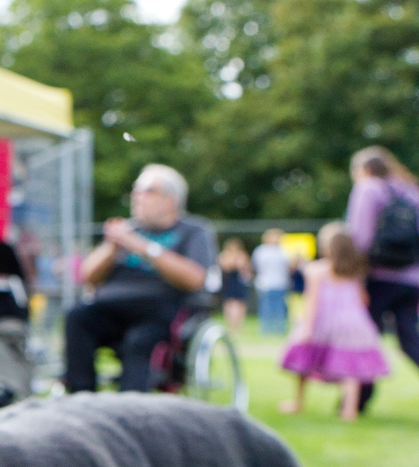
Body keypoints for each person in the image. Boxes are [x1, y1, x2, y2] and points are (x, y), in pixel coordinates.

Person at [63, 164, 217, 393]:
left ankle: (130, 406)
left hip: (159, 308)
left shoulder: (193, 231)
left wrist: (145, 248)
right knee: (77, 316)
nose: (137, 197)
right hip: (112, 304)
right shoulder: (126, 231)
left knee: (141, 340)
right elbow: (87, 276)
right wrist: (111, 246)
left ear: (170, 200)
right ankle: (81, 397)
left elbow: (195, 279)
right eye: (136, 190)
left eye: (147, 190)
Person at [346, 146, 419, 412]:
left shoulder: (369, 188)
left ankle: (356, 401)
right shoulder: (412, 192)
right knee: (413, 340)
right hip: (412, 278)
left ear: (364, 169)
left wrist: (356, 278)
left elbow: (361, 236)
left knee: (366, 339)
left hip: (380, 276)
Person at [279, 223, 389, 420]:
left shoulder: (316, 270)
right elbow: (363, 300)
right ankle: (349, 410)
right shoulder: (354, 272)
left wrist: (307, 328)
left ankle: (298, 403)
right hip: (353, 323)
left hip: (324, 321)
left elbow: (311, 301)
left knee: (305, 362)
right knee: (351, 368)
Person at [251, 228, 290, 334]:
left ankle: (279, 329)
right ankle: (266, 330)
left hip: (280, 283)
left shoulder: (283, 250)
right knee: (266, 308)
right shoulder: (261, 251)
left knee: (280, 308)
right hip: (265, 284)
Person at [218, 237, 251, 334]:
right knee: (230, 303)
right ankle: (231, 325)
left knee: (239, 303)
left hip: (239, 281)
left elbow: (244, 267)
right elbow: (226, 266)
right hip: (229, 280)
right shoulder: (225, 255)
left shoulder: (240, 255)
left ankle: (237, 326)